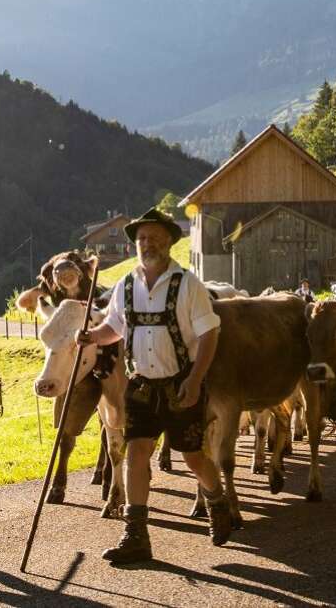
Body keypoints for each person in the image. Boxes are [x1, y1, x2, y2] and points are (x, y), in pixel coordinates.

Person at [76, 207, 232, 564]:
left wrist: (195, 380)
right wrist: (90, 337)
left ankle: (217, 501)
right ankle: (136, 537)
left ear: (168, 242)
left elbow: (210, 334)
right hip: (141, 385)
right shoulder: (126, 285)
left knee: (193, 458)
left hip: (181, 386)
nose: (147, 244)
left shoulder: (187, 284)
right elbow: (114, 328)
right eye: (142, 238)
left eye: (155, 238)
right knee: (137, 453)